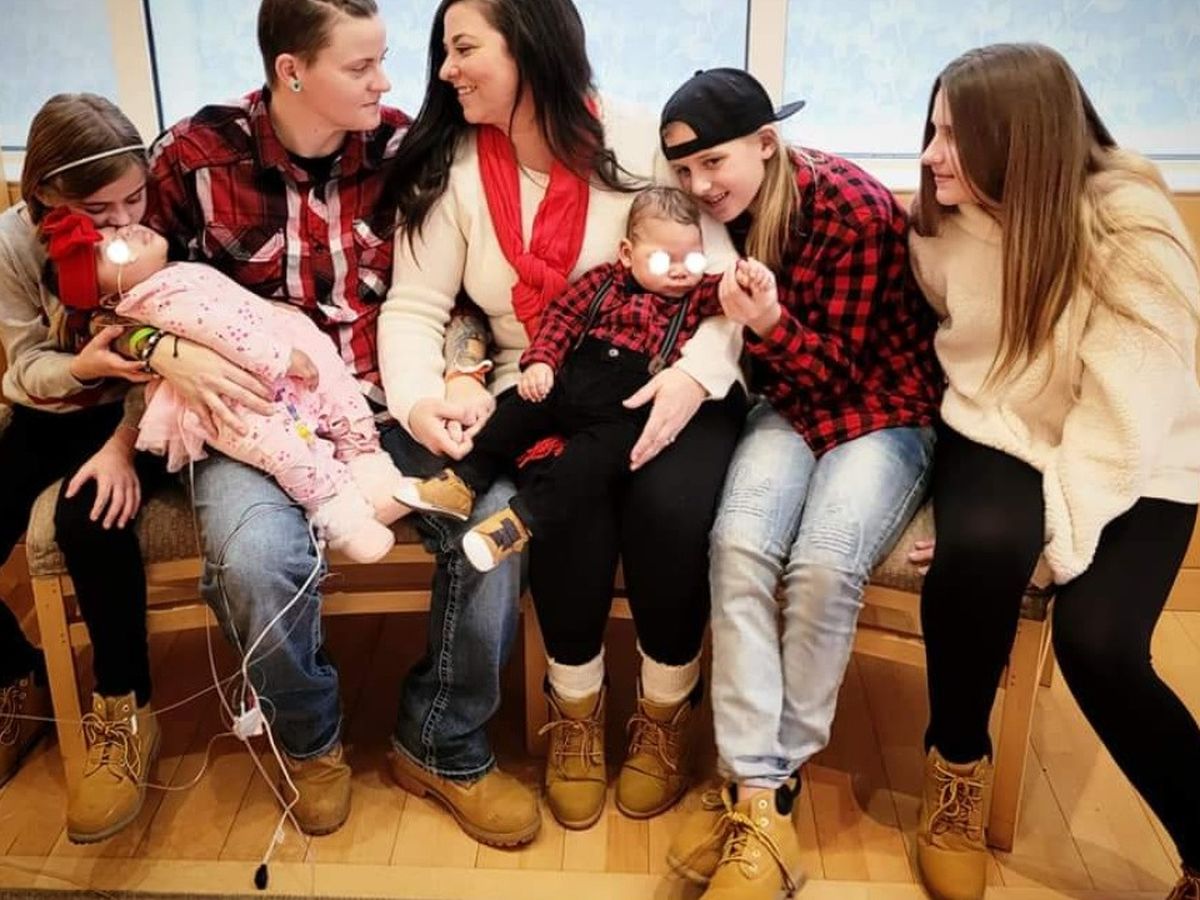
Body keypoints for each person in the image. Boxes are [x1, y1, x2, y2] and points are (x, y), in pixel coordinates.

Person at [379, 0, 746, 842]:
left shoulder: (640, 138)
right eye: (444, 52)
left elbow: (722, 280)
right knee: (563, 512)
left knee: (667, 512)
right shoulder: (452, 166)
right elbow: (415, 305)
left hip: (674, 375)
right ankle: (575, 713)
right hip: (541, 381)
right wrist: (425, 401)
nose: (445, 70)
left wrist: (692, 379)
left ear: (531, 48)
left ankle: (664, 713)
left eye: (463, 48)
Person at [900, 43, 1200, 900]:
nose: (931, 155)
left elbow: (1123, 418)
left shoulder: (1130, 231)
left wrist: (1056, 536)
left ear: (1018, 143)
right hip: (1002, 419)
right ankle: (958, 765)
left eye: (953, 136)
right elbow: (951, 330)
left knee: (1099, 644)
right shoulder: (944, 217)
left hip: (1141, 453)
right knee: (979, 554)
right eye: (931, 128)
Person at [658, 68, 942, 898]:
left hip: (883, 407)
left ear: (766, 143)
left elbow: (839, 372)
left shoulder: (852, 208)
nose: (700, 186)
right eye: (684, 170)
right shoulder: (716, 222)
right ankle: (760, 792)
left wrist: (769, 324)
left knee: (822, 563)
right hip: (787, 403)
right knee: (738, 546)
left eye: (713, 162)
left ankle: (764, 790)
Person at [143, 0, 406, 836]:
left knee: (491, 528)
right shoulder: (194, 156)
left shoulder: (400, 149)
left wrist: (465, 371)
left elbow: (454, 284)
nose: (384, 82)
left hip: (381, 399)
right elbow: (117, 299)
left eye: (383, 60)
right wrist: (160, 348)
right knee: (257, 561)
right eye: (361, 66)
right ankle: (310, 738)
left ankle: (445, 739)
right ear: (292, 71)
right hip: (251, 418)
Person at [397, 186, 729, 579]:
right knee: (513, 412)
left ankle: (514, 525)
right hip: (571, 381)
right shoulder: (602, 281)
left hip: (623, 413)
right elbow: (562, 319)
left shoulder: (695, 296)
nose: (679, 271)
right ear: (627, 253)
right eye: (661, 259)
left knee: (583, 468)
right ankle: (462, 482)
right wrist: (541, 361)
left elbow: (729, 291)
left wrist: (747, 282)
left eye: (692, 259)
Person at [0, 93, 174, 843]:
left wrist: (125, 442)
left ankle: (123, 708)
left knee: (89, 518)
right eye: (98, 210)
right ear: (46, 193)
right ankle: (18, 671)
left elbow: (179, 353)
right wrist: (79, 368)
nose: (122, 221)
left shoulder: (160, 230)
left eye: (134, 198)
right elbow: (23, 364)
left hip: (144, 410)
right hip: (54, 406)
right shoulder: (14, 243)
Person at [39, 214, 408, 563]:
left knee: (336, 393)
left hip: (274, 358)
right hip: (232, 390)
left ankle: (366, 464)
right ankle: (339, 515)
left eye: (118, 230)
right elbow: (218, 329)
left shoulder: (170, 274)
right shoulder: (155, 298)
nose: (128, 231)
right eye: (116, 251)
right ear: (111, 298)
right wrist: (279, 357)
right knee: (283, 446)